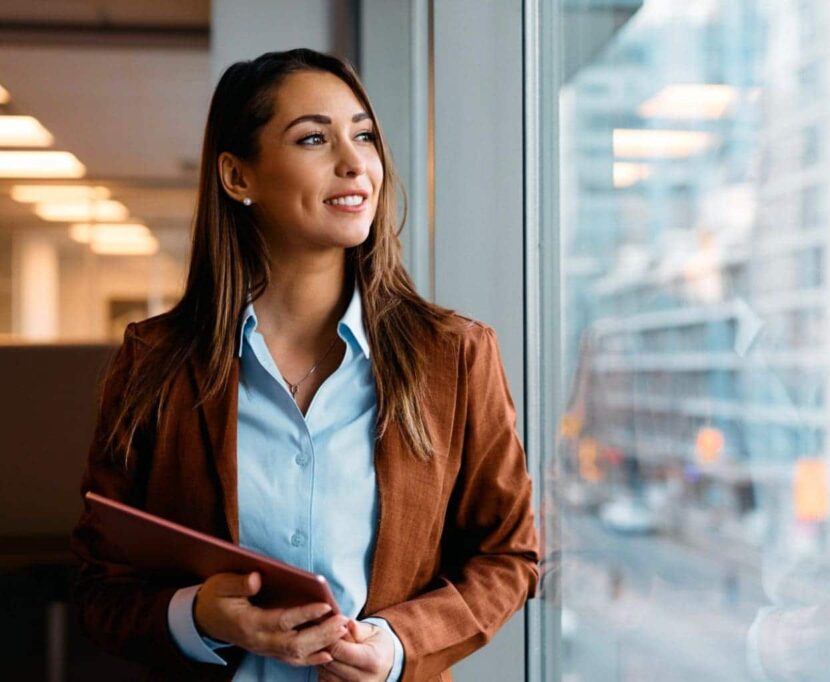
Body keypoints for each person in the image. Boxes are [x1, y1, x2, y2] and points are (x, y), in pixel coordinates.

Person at [70, 48, 540, 682]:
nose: (355, 164)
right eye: (314, 137)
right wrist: (200, 616)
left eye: (364, 135)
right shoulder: (157, 362)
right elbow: (100, 586)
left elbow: (509, 556)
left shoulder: (453, 356)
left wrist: (398, 644)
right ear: (238, 178)